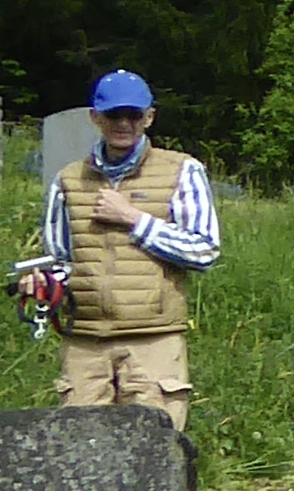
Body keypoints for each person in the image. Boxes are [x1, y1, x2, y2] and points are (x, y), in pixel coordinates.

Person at [37, 70, 222, 429]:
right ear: (95, 117)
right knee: (79, 457)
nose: (123, 124)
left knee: (157, 457)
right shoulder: (67, 180)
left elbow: (204, 250)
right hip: (85, 342)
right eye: (113, 115)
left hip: (154, 340)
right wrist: (43, 284)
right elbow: (59, 259)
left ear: (149, 117)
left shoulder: (183, 170)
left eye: (133, 115)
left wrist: (134, 220)